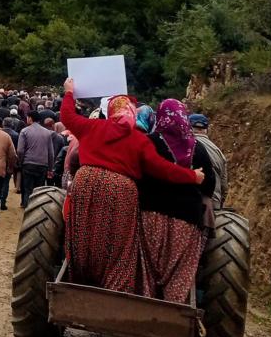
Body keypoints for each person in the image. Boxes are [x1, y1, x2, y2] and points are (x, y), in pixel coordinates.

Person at [60, 79, 204, 294]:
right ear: (132, 113)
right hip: (121, 190)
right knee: (119, 245)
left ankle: (81, 275)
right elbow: (162, 168)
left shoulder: (92, 127)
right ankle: (115, 287)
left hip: (86, 181)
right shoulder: (140, 140)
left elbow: (67, 117)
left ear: (110, 111)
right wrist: (192, 175)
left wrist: (69, 93)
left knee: (83, 232)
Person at [139, 100, 216, 303]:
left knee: (148, 265)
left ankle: (143, 304)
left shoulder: (149, 142)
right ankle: (173, 309)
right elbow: (209, 186)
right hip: (186, 219)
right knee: (179, 269)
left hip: (149, 215)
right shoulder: (197, 149)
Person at [16, 111, 55, 209]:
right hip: (43, 165)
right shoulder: (47, 132)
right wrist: (50, 168)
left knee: (28, 188)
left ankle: (27, 209)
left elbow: (20, 150)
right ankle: (37, 209)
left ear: (30, 118)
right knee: (39, 190)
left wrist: (20, 162)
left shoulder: (25, 131)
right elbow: (51, 153)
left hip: (28, 163)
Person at [189, 114, 228, 210]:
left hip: (190, 204)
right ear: (206, 130)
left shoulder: (185, 146)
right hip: (213, 204)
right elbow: (224, 186)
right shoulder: (218, 152)